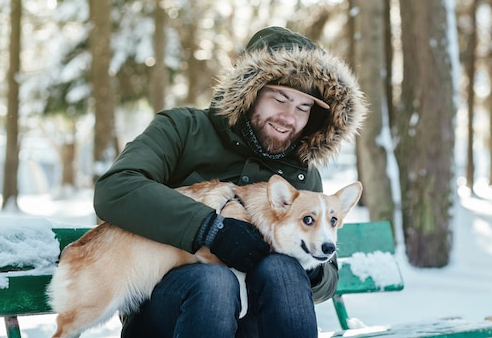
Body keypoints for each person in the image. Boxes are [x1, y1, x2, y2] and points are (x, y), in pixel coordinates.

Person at [93, 26, 367, 338]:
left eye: (303, 108)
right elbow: (116, 189)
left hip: (255, 324)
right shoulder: (183, 129)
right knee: (214, 281)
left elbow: (326, 279)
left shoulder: (300, 174)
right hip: (167, 305)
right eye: (280, 99)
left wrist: (307, 258)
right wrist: (209, 228)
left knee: (284, 271)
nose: (289, 117)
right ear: (250, 92)